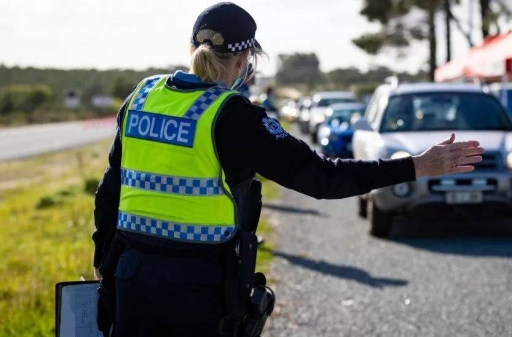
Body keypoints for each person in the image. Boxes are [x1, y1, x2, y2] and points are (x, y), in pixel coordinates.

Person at [92, 3, 484, 336]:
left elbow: (110, 189)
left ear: (191, 48)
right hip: (200, 291)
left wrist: (102, 259)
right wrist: (415, 167)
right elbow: (323, 178)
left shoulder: (142, 97)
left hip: (130, 278)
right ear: (245, 60)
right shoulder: (234, 117)